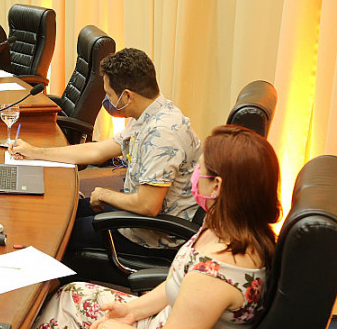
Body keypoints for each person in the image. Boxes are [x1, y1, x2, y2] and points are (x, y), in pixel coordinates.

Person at [11, 125, 281, 329]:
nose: (194, 177)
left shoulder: (216, 272)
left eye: (200, 170)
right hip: (164, 325)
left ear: (217, 186)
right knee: (69, 296)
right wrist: (133, 310)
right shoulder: (230, 228)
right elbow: (179, 281)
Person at [11, 48, 200, 257]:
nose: (107, 100)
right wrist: (35, 152)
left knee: (57, 236)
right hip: (135, 212)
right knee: (60, 213)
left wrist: (103, 194)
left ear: (127, 95)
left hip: (153, 235)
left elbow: (148, 206)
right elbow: (98, 150)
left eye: (109, 94)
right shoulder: (148, 114)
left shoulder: (162, 135)